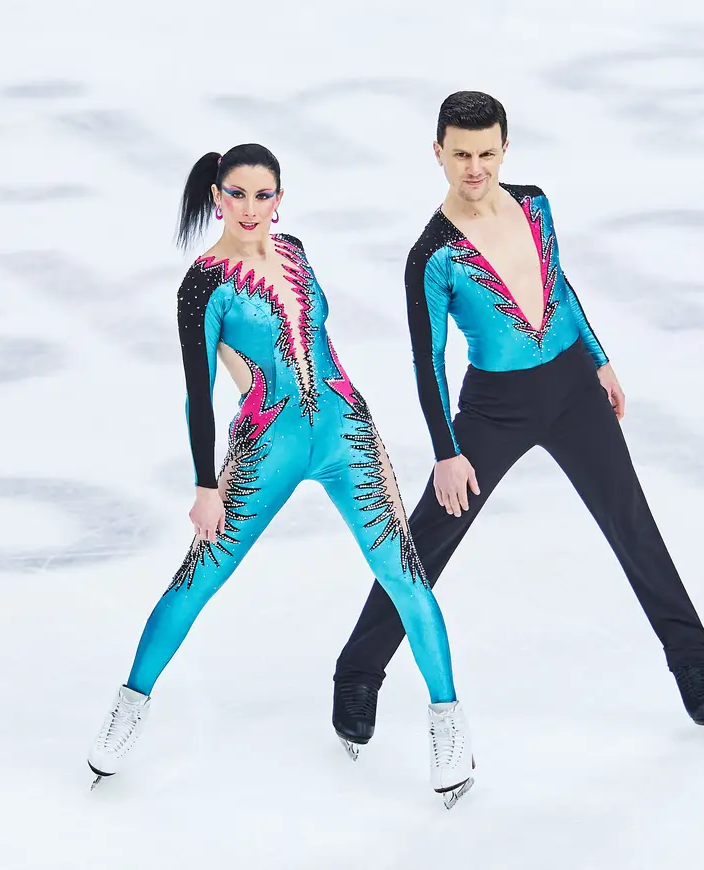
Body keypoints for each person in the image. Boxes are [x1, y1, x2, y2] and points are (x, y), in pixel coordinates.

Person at [332, 92, 704, 749]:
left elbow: (559, 284)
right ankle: (358, 671)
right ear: (438, 153)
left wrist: (598, 358)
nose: (475, 167)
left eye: (487, 153)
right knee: (429, 536)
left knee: (631, 520)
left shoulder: (535, 203)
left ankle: (691, 659)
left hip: (573, 388)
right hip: (496, 407)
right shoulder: (432, 254)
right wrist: (447, 452)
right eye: (461, 154)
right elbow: (427, 362)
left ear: (505, 149)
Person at [87, 143, 475, 804]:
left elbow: (314, 340)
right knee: (199, 577)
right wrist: (205, 485)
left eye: (263, 195)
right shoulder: (203, 285)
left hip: (348, 433)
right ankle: (130, 704)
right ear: (218, 197)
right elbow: (198, 393)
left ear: (280, 200)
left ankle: (448, 723)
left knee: (404, 573)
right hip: (267, 447)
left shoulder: (295, 250)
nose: (250, 207)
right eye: (237, 194)